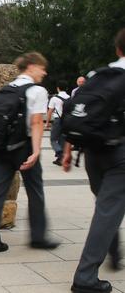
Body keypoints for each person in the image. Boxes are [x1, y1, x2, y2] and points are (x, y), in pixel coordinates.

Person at [64, 28, 125, 293]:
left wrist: (67, 149)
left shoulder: (98, 75)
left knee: (106, 209)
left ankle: (114, 252)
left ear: (117, 49)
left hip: (91, 152)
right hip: (119, 154)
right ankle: (85, 278)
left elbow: (76, 112)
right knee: (107, 211)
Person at [0, 52, 59, 255]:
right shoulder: (37, 90)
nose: (44, 72)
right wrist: (36, 151)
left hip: (3, 147)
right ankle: (38, 237)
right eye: (42, 67)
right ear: (31, 66)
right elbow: (36, 122)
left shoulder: (8, 88)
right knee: (36, 192)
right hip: (24, 146)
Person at [45, 80, 70, 165]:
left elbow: (50, 111)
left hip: (58, 120)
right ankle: (60, 159)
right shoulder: (69, 97)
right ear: (66, 88)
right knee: (62, 140)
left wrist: (47, 123)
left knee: (53, 139)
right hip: (67, 121)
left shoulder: (54, 98)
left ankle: (59, 152)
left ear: (58, 88)